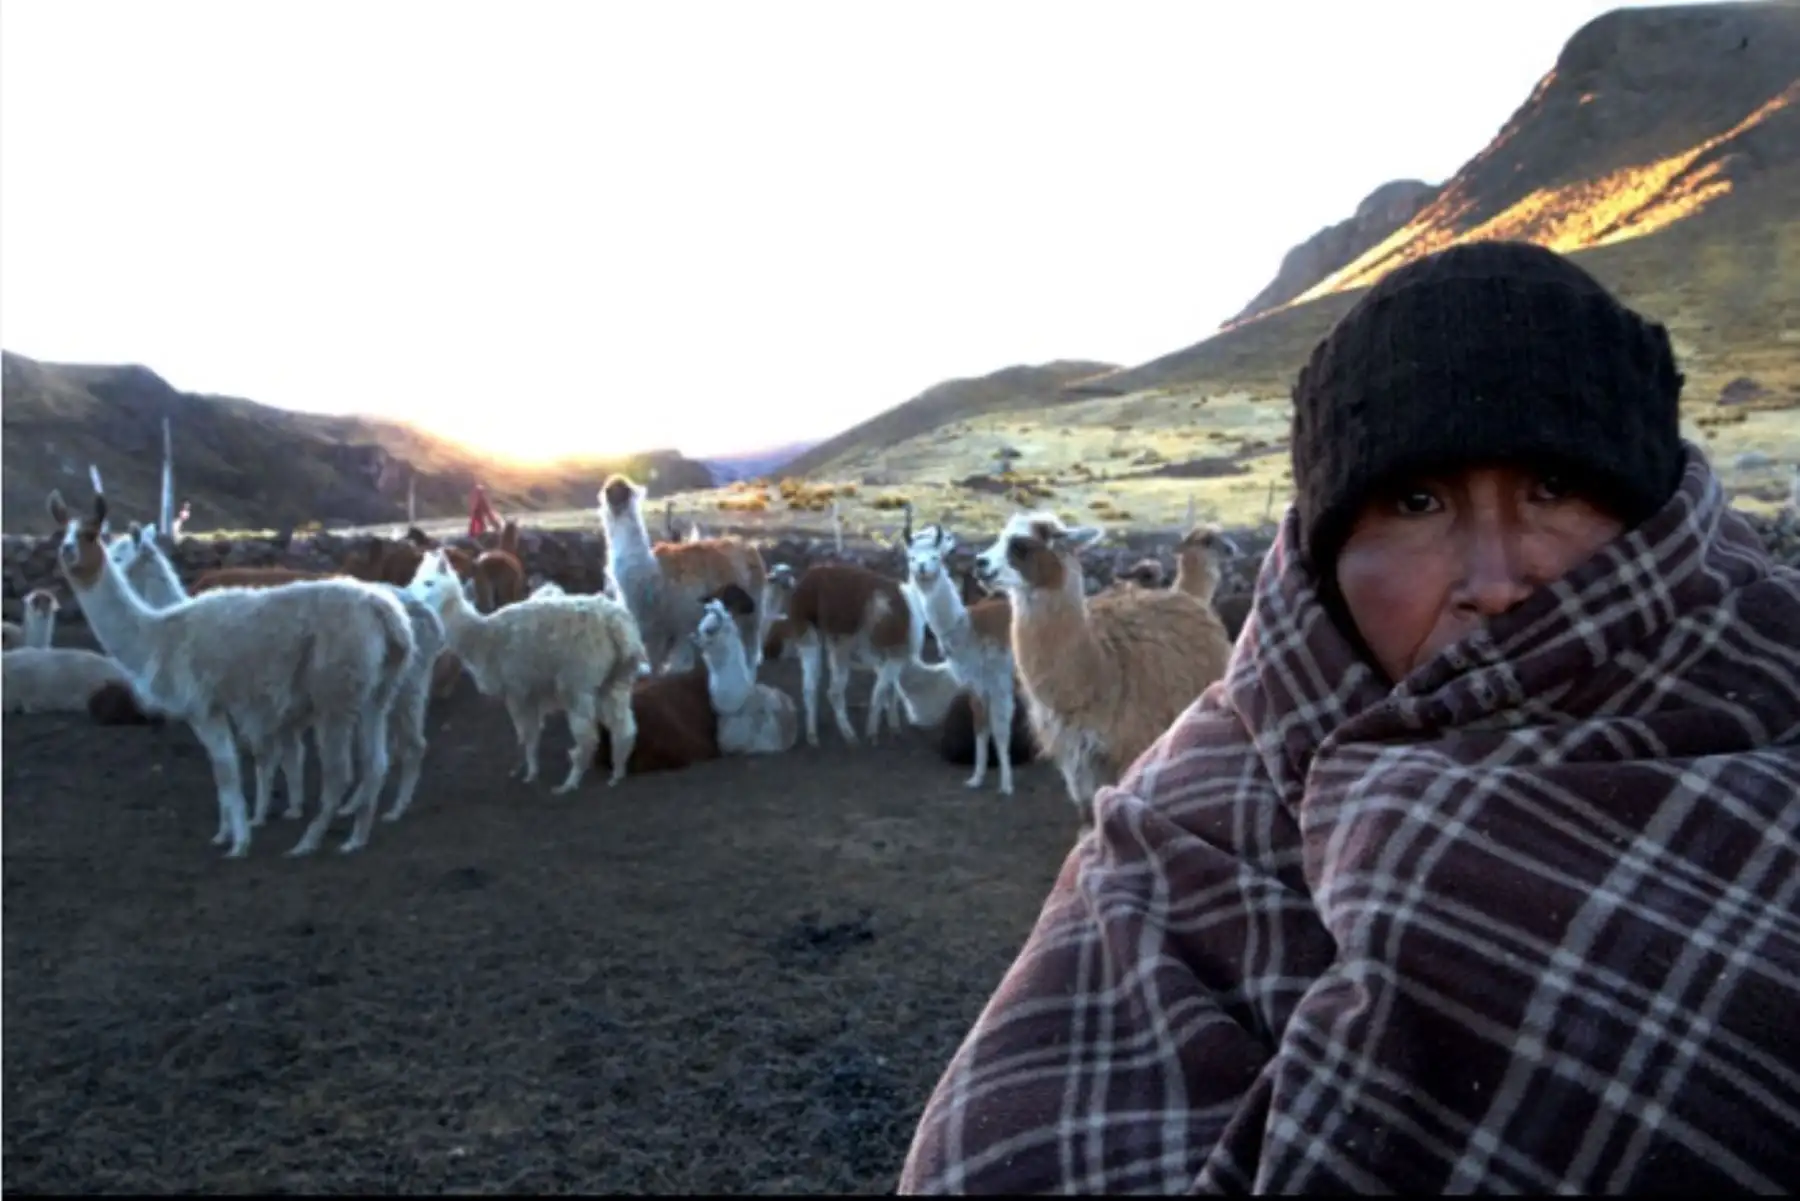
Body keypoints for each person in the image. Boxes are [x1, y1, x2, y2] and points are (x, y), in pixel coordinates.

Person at [899, 241, 1800, 1194]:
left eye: (1555, 489)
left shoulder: (1764, 713)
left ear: (1653, 520)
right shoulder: (1191, 825)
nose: (1496, 581)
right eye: (1417, 502)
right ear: (1330, 555)